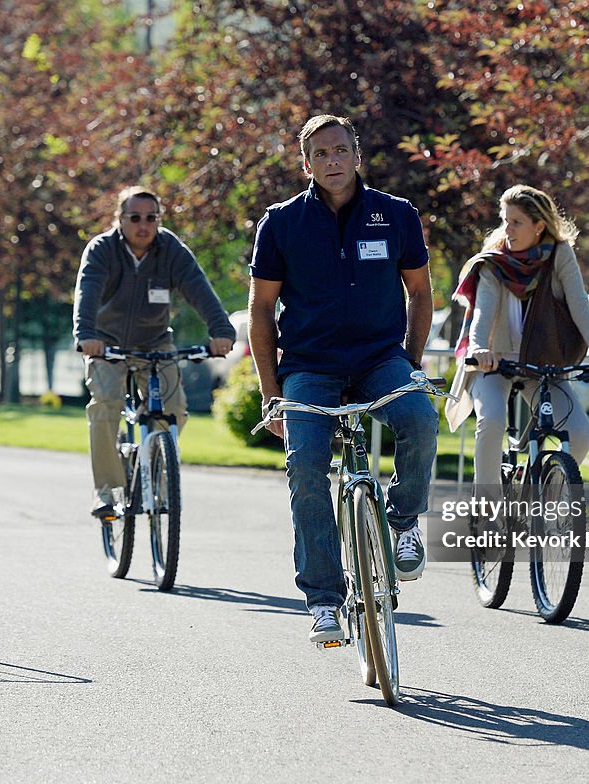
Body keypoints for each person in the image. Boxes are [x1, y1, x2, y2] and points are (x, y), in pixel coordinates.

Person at [248, 114, 438, 644]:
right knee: (306, 466)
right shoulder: (281, 223)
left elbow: (421, 293)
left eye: (341, 150)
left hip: (381, 358)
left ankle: (402, 521)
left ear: (357, 155)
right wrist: (271, 393)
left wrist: (411, 361)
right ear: (306, 163)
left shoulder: (396, 215)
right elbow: (261, 309)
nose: (332, 161)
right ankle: (325, 601)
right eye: (321, 154)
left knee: (420, 417)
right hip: (309, 366)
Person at [444, 184, 589, 486]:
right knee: (492, 421)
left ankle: (544, 496)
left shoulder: (559, 256)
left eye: (516, 222)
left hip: (540, 363)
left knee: (579, 434)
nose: (508, 228)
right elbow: (483, 312)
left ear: (539, 226)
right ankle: (488, 513)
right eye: (505, 220)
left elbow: (580, 306)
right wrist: (478, 349)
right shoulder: (493, 262)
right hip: (494, 363)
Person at [73, 186, 235, 518]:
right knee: (105, 403)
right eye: (135, 218)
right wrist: (87, 335)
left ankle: (157, 471)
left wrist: (221, 331)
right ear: (120, 219)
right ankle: (107, 490)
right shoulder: (102, 250)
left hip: (156, 344)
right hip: (107, 344)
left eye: (152, 218)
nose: (143, 225)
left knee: (174, 409)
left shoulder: (171, 249)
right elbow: (86, 293)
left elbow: (198, 288)